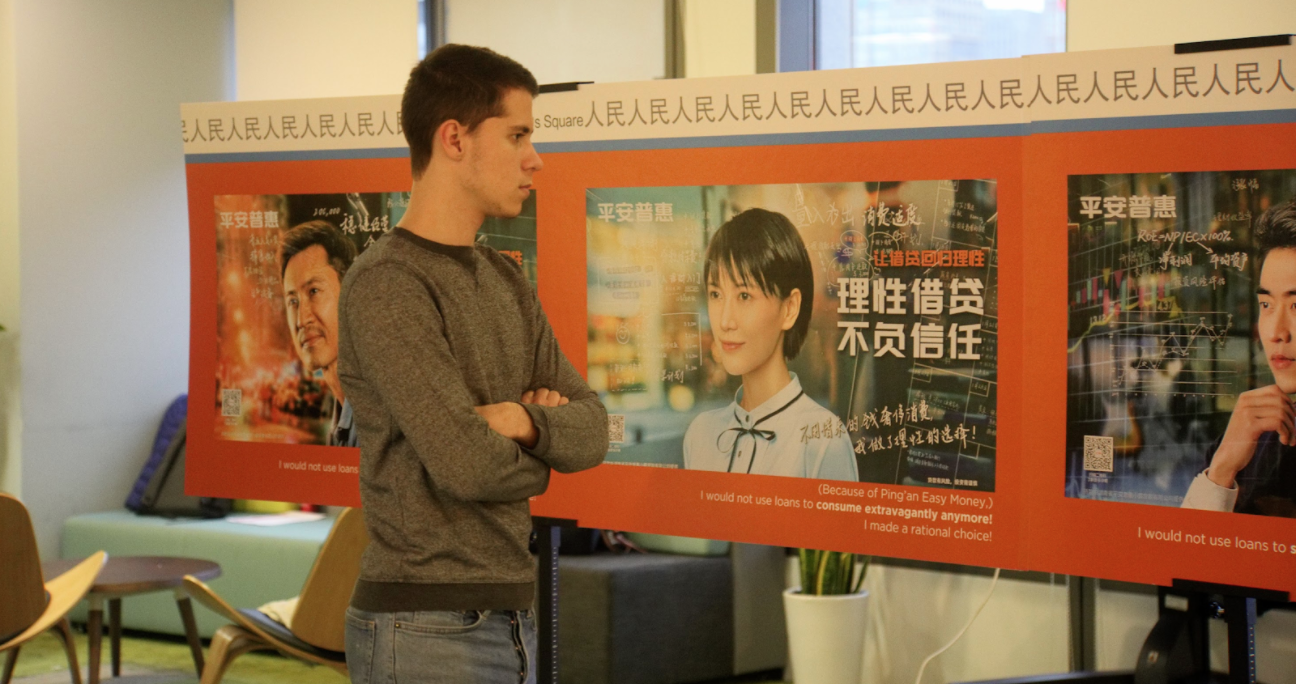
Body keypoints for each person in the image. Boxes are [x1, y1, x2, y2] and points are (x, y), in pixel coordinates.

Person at [336, 44, 609, 684]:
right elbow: (464, 464)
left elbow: (595, 428)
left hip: (511, 614)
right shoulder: (387, 284)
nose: (534, 157)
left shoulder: (503, 279)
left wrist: (519, 421)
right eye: (516, 135)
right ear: (454, 139)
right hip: (422, 624)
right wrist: (546, 460)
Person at [682, 208, 858, 481]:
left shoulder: (823, 439)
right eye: (716, 294)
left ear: (789, 308)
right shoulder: (700, 434)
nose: (725, 321)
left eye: (744, 295)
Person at [1182, 199, 1296, 516]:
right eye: (1266, 305)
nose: (1276, 333)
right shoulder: (1256, 436)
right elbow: (1186, 555)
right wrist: (1221, 471)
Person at [279, 220, 358, 447]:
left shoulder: (381, 417)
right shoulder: (341, 417)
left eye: (314, 291)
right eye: (293, 301)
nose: (302, 319)